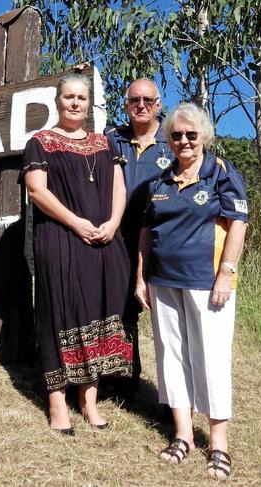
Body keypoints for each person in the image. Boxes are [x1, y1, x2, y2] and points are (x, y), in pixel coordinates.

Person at [134, 103, 248, 480]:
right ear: (168, 140)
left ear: (204, 137)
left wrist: (226, 274)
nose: (184, 141)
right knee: (171, 356)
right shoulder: (159, 181)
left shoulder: (222, 173)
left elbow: (237, 225)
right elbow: (146, 233)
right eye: (177, 135)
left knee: (211, 358)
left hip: (206, 282)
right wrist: (141, 278)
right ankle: (183, 434)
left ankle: (218, 443)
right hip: (163, 282)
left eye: (191, 135)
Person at [22, 72, 133, 435]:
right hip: (60, 239)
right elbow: (37, 190)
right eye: (68, 97)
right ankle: (57, 403)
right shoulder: (40, 141)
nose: (75, 103)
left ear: (89, 103)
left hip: (103, 241)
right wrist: (76, 223)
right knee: (59, 314)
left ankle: (89, 401)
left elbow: (119, 187)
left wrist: (114, 222)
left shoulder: (104, 143)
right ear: (57, 101)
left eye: (81, 98)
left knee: (98, 311)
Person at [105, 79, 175, 394]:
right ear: (126, 105)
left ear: (159, 104)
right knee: (120, 309)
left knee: (166, 318)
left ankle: (171, 397)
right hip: (118, 238)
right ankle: (124, 380)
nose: (141, 105)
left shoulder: (174, 140)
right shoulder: (111, 139)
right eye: (135, 100)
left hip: (161, 242)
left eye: (148, 100)